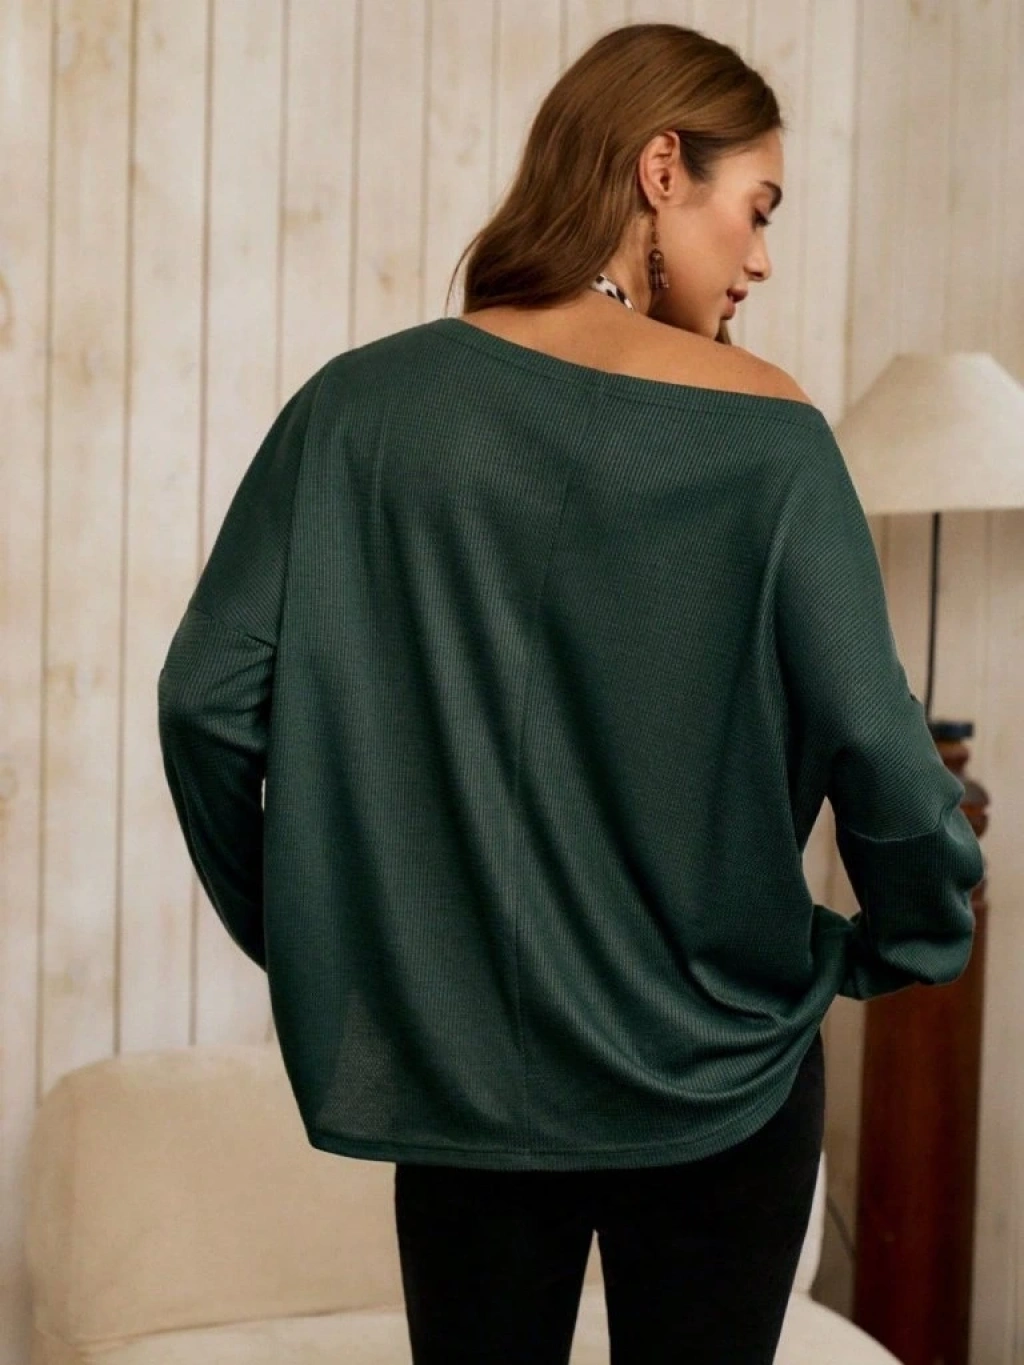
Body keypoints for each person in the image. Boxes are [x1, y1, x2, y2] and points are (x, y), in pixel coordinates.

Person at [157, 22, 985, 1365]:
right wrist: (896, 941)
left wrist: (334, 936)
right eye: (757, 207)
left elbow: (205, 701)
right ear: (662, 169)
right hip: (720, 1074)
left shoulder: (358, 411)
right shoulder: (772, 437)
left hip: (465, 1077)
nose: (763, 257)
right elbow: (887, 761)